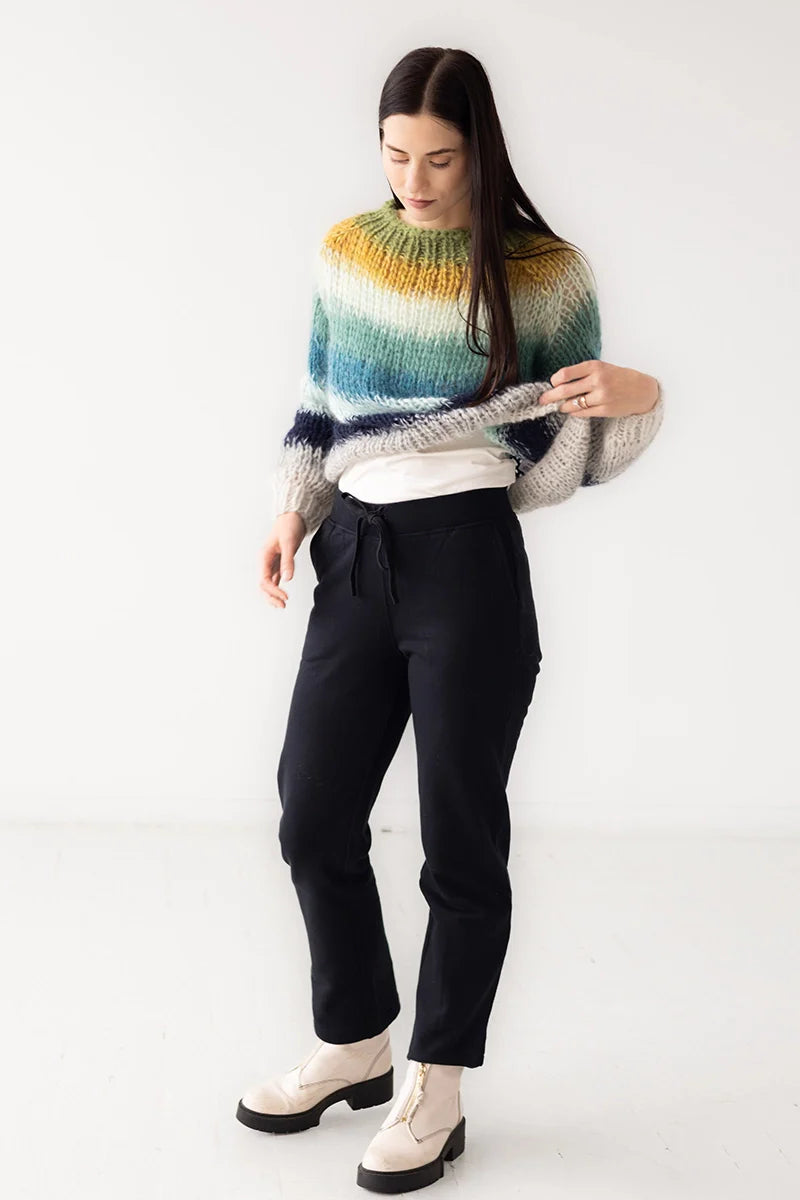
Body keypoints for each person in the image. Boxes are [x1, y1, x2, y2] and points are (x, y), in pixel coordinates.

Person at [237, 46, 665, 1195]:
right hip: (352, 555)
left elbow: (574, 442)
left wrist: (639, 398)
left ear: (479, 151)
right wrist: (291, 512)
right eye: (394, 155)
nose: (412, 182)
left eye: (436, 160)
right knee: (311, 815)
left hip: (467, 561)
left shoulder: (543, 271)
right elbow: (319, 403)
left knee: (458, 841)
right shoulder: (349, 249)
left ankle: (437, 1082)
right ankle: (355, 1042)